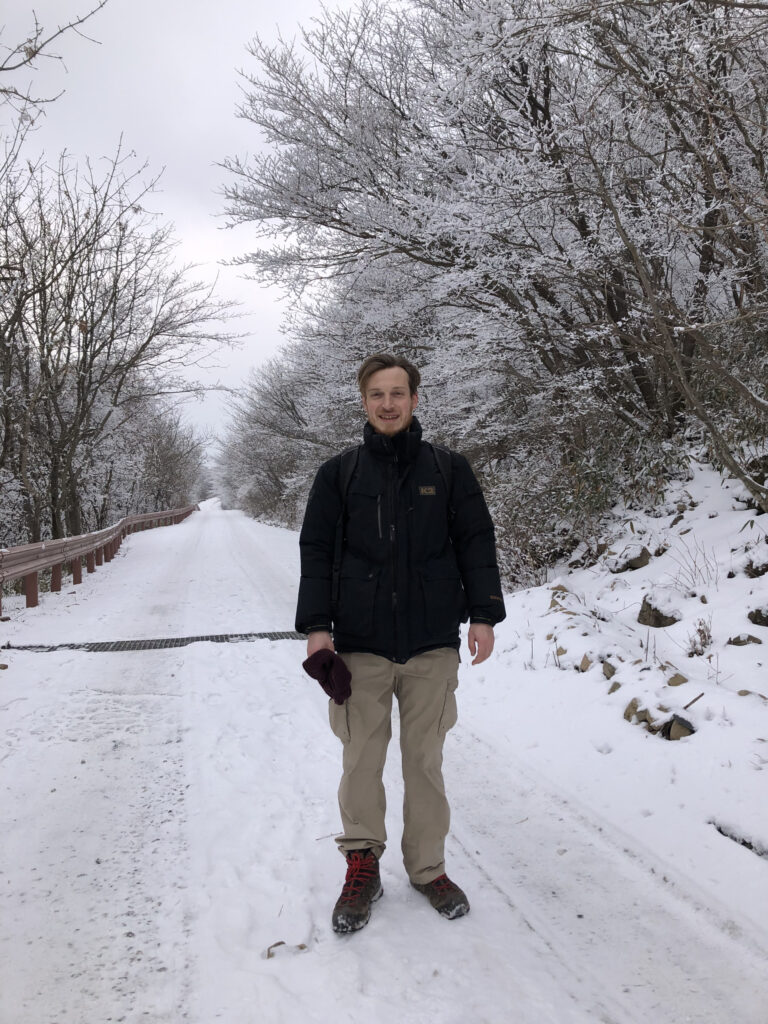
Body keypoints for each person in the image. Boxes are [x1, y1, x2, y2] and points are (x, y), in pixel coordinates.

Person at [296, 352, 506, 933]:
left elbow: (475, 543)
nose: (388, 404)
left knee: (425, 762)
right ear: (363, 402)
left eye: (398, 393)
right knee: (360, 761)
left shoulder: (449, 469)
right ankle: (362, 865)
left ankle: (428, 867)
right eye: (377, 395)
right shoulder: (338, 475)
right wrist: (318, 629)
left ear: (415, 400)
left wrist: (483, 615)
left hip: (431, 645)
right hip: (359, 645)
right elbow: (316, 553)